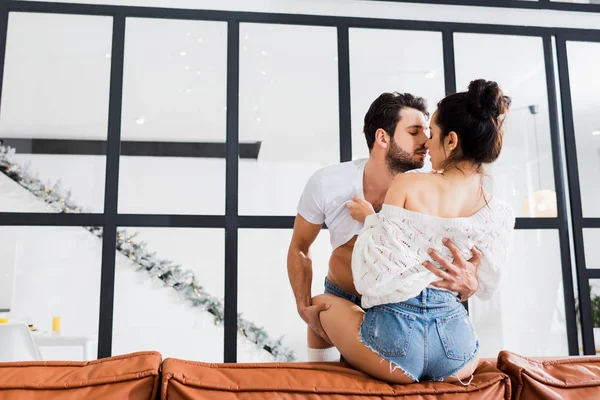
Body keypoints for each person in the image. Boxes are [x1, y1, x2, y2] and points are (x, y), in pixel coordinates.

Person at [311, 79, 516, 384]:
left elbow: (372, 277)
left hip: (395, 346)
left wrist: (371, 220)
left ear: (451, 141)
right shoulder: (500, 212)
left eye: (432, 134)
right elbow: (485, 284)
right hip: (457, 353)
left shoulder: (409, 184)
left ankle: (314, 385)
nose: (426, 145)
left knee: (319, 304)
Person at [287, 90, 484, 363]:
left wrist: (471, 282)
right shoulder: (327, 182)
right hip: (342, 300)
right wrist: (302, 304)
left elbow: (468, 248)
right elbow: (299, 246)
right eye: (414, 131)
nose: (426, 141)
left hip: (404, 311)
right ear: (382, 137)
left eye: (427, 131)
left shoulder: (433, 185)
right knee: (324, 384)